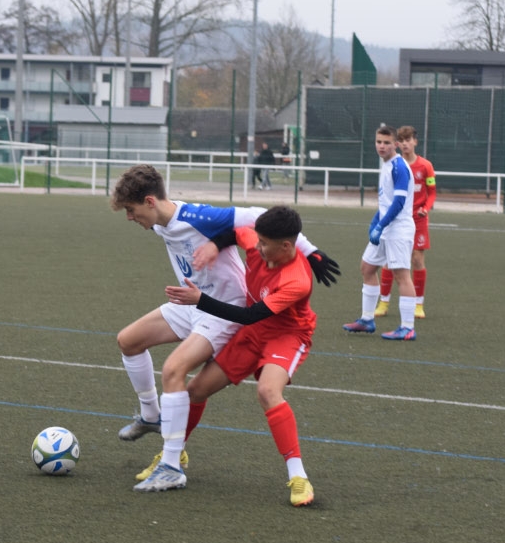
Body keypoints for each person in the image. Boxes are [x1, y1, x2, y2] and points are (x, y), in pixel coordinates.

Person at [110, 164, 340, 484]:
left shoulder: (200, 218)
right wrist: (216, 246)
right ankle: (151, 417)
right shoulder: (161, 223)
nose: (129, 218)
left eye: (131, 211)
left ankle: (172, 466)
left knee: (175, 370)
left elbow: (261, 216)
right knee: (128, 340)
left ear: (150, 201)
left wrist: (311, 251)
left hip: (223, 309)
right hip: (193, 301)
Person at [159, 206, 317, 507]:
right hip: (254, 333)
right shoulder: (260, 241)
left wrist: (199, 300)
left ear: (286, 246)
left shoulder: (297, 280)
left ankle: (298, 476)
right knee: (195, 390)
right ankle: (175, 452)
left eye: (264, 244)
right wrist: (213, 245)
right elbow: (235, 233)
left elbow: (248, 315)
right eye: (257, 241)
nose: (256, 247)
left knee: (268, 390)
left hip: (287, 335)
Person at [342, 125, 417, 341]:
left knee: (401, 275)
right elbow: (385, 201)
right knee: (367, 267)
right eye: (378, 142)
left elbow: (399, 202)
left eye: (386, 142)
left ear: (395, 144)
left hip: (399, 229)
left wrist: (381, 225)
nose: (381, 146)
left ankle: (407, 327)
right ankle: (367, 319)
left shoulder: (399, 167)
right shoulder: (385, 165)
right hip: (386, 227)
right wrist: (375, 222)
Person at [375, 125, 436, 319]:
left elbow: (432, 193)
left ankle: (419, 304)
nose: (405, 144)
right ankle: (383, 302)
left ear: (415, 142)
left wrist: (425, 208)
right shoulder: (395, 164)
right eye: (401, 140)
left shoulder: (425, 166)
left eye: (408, 140)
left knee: (417, 260)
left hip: (417, 220)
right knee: (388, 261)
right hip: (397, 219)